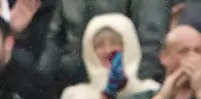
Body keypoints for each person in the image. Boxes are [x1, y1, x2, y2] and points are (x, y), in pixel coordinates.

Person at [38, 0, 166, 87]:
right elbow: (54, 39)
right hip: (74, 83)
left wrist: (128, 91)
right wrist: (39, 86)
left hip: (125, 83)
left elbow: (152, 44)